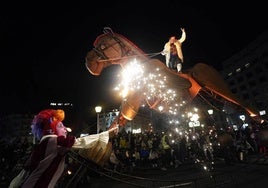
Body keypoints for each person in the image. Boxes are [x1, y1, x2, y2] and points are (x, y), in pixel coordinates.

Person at [9, 109, 118, 188]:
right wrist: (108, 133)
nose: (65, 129)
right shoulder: (55, 141)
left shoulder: (43, 144)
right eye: (61, 126)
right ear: (51, 130)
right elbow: (82, 142)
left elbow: (24, 172)